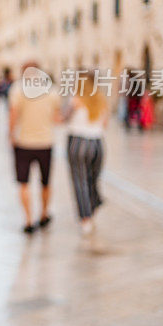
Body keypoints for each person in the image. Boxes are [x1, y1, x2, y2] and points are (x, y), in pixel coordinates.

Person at [8, 62, 61, 234]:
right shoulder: (51, 90)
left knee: (24, 183)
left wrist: (11, 134)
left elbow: (13, 114)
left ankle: (28, 219)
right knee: (45, 182)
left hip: (24, 142)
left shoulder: (17, 89)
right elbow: (56, 117)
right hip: (45, 142)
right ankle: (44, 213)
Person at [64, 70, 109, 234]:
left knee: (79, 180)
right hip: (97, 143)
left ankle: (86, 218)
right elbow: (105, 124)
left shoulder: (75, 99)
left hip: (78, 141)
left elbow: (64, 118)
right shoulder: (101, 100)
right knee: (92, 178)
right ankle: (93, 206)